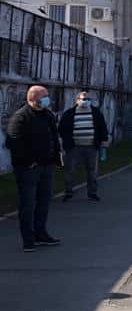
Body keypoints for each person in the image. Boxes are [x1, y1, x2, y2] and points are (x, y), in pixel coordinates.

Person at [5, 86, 62, 252]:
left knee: (44, 202)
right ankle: (28, 239)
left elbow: (53, 137)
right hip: (29, 168)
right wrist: (29, 161)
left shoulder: (47, 115)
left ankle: (41, 234)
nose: (47, 99)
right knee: (28, 204)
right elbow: (13, 142)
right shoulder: (21, 117)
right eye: (44, 96)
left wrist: (57, 158)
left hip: (47, 166)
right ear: (32, 98)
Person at [58, 89, 110, 202]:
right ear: (77, 100)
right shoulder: (69, 113)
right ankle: (68, 192)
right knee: (70, 170)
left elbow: (102, 127)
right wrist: (64, 142)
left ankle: (92, 193)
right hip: (74, 147)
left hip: (91, 146)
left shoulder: (96, 112)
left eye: (88, 99)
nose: (86, 101)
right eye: (83, 99)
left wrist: (104, 140)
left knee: (92, 171)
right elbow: (62, 129)